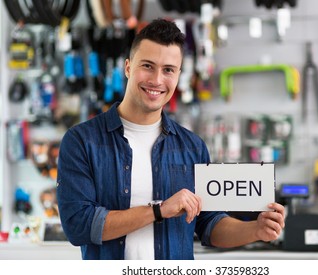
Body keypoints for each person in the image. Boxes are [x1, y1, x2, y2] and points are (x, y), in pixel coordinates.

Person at [56, 18, 285, 260]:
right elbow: (78, 225)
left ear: (177, 75)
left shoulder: (192, 147)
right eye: (147, 66)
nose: (156, 80)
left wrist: (255, 230)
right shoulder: (81, 141)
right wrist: (159, 210)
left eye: (168, 70)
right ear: (127, 67)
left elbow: (209, 224)